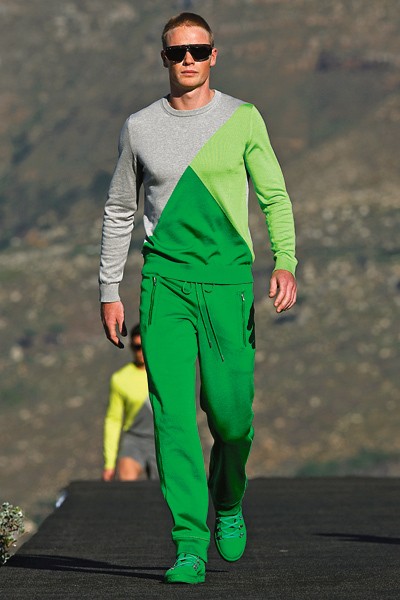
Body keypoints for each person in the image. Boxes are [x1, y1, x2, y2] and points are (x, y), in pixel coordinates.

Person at [99, 12, 297, 584]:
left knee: (231, 420)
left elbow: (275, 196)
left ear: (214, 55)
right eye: (176, 52)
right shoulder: (140, 127)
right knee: (174, 419)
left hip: (228, 283)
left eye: (198, 50)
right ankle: (189, 542)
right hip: (164, 285)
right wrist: (109, 290)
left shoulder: (243, 118)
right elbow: (120, 210)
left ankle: (228, 497)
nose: (187, 59)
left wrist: (285, 261)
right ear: (163, 58)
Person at [102, 324, 158, 482]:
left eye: (144, 346)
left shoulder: (165, 374)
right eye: (136, 347)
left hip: (162, 438)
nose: (141, 352)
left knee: (163, 491)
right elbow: (113, 420)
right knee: (127, 483)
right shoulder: (120, 379)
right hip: (135, 439)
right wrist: (109, 464)